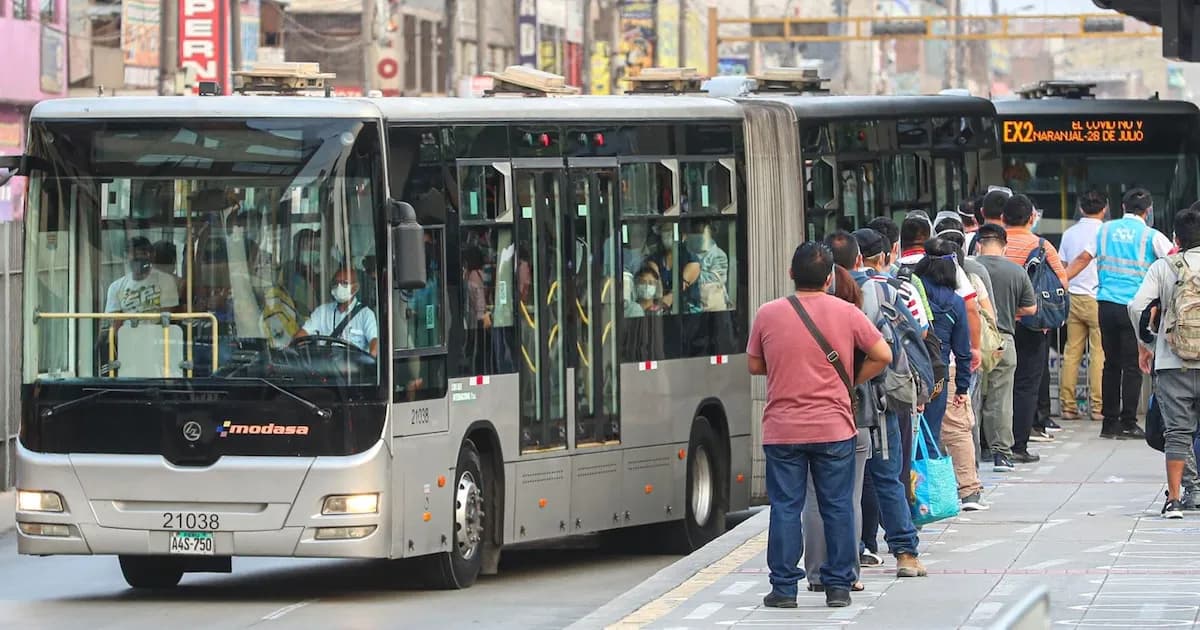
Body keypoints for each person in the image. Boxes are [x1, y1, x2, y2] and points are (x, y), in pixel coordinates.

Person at [748, 242, 892, 609]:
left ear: (791, 273)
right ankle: (838, 586)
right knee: (838, 505)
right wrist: (851, 379)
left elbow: (754, 364)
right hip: (834, 428)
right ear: (829, 278)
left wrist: (786, 369)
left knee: (785, 507)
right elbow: (883, 354)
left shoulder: (768, 313)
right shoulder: (847, 312)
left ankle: (784, 588)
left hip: (783, 429)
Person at [846, 228, 927, 575]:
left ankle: (848, 554)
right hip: (878, 400)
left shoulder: (819, 296)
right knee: (887, 477)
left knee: (837, 484)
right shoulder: (888, 291)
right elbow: (914, 336)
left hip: (830, 402)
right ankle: (905, 553)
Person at [1069, 187, 1170, 440]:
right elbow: (1173, 260)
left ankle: (1109, 423)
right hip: (1135, 309)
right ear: (1148, 211)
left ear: (1123, 207)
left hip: (1105, 305)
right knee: (1133, 366)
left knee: (1110, 364)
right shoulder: (1151, 235)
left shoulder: (1104, 230)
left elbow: (1083, 258)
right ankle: (1128, 422)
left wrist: (1062, 280)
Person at [1129, 205, 1200, 518]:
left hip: (1173, 361)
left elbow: (1136, 307)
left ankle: (1176, 498)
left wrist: (1146, 344)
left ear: (1176, 239)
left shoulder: (1164, 266)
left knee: (1178, 433)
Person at [1002, 194, 1068, 456]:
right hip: (1032, 324)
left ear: (1003, 218)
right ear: (1031, 218)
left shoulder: (993, 245)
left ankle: (993, 444)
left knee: (997, 386)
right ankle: (1019, 444)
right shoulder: (1042, 245)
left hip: (997, 324)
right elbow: (1062, 283)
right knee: (1026, 385)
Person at [974, 224, 1038, 471]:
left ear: (978, 244)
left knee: (972, 397)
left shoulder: (969, 267)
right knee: (1000, 399)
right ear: (1004, 245)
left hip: (974, 339)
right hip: (1002, 340)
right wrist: (1009, 311)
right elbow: (1031, 308)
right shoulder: (1016, 271)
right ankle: (1001, 453)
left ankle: (973, 454)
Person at [897, 214, 983, 373]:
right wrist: (975, 348)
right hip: (945, 361)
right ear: (930, 238)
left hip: (905, 364)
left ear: (900, 242)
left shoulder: (895, 270)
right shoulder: (946, 264)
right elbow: (970, 308)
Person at [914, 238, 973, 448]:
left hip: (910, 372)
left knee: (907, 439)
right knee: (931, 436)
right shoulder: (956, 302)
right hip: (938, 374)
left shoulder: (912, 292)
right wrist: (962, 387)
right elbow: (963, 350)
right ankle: (928, 470)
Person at [1058, 190, 1107, 422]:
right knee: (1099, 353)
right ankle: (1098, 408)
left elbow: (1062, 265)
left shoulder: (1069, 234)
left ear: (1080, 208)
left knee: (1071, 353)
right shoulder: (1106, 232)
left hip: (1073, 297)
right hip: (1098, 298)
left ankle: (1068, 407)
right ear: (1105, 209)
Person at [294, 267, 379, 357]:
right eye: (336, 283)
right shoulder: (322, 312)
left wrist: (370, 360)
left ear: (355, 288)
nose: (339, 287)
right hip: (324, 364)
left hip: (354, 365)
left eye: (344, 283)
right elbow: (302, 335)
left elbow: (374, 343)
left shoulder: (366, 314)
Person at [105, 236, 181, 315]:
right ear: (126, 256)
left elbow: (165, 317)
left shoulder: (166, 281)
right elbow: (115, 320)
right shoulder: (115, 287)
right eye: (134, 254)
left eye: (143, 254)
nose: (139, 258)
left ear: (152, 255)